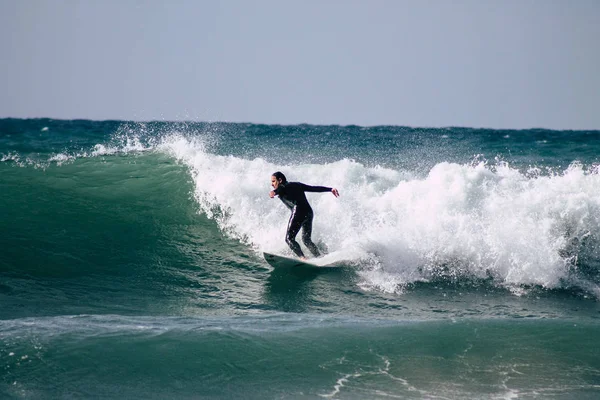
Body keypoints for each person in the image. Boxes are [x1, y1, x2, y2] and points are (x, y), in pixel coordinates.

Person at [269, 171, 339, 259]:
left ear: (280, 180)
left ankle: (302, 258)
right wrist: (330, 189)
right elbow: (314, 188)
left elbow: (281, 189)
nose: (272, 184)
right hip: (309, 212)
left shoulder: (282, 187)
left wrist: (274, 192)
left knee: (289, 239)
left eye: (273, 181)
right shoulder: (297, 184)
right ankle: (320, 257)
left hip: (299, 212)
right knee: (306, 240)